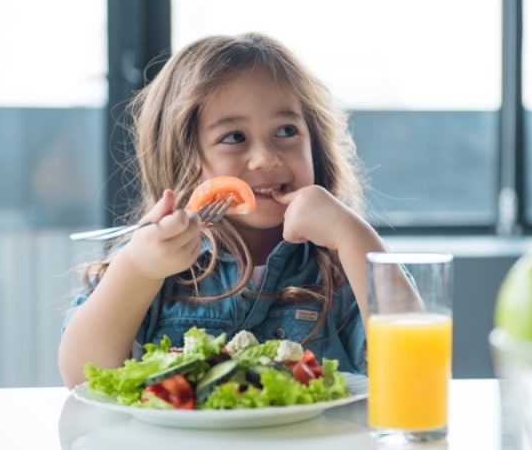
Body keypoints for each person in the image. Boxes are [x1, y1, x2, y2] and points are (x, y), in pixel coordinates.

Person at [58, 33, 387, 388]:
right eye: (234, 137)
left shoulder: (340, 263)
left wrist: (355, 239)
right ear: (182, 157)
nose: (265, 158)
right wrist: (137, 269)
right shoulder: (152, 260)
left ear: (316, 146)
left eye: (286, 130)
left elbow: (412, 368)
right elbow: (83, 376)